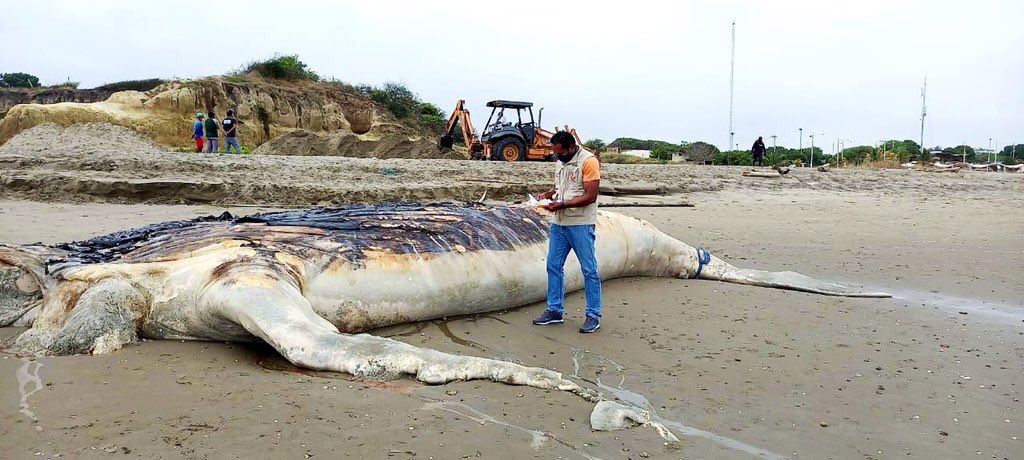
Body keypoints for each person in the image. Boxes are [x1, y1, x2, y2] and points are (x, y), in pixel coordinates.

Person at [532, 131, 603, 333]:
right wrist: (548, 194)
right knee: (553, 265)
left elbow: (590, 195)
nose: (557, 156)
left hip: (580, 223)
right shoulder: (560, 161)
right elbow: (560, 187)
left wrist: (562, 204)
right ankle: (554, 310)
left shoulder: (589, 162)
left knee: (589, 269)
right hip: (559, 223)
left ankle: (593, 315)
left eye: (560, 153)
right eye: (555, 153)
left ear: (571, 148)